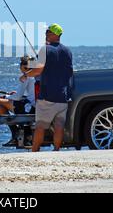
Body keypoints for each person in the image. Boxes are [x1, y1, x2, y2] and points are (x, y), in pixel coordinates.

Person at [20, 23, 73, 152]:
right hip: (63, 95)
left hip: (47, 96)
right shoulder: (68, 51)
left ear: (55, 34)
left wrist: (25, 75)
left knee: (40, 126)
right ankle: (56, 150)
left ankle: (35, 151)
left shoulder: (45, 49)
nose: (46, 34)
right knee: (59, 125)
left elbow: (39, 69)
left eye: (48, 32)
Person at [0, 55, 36, 147]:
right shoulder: (38, 75)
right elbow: (30, 93)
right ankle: (19, 134)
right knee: (11, 100)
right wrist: (14, 94)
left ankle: (15, 133)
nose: (24, 70)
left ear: (21, 66)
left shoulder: (27, 76)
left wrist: (6, 96)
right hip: (37, 107)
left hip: (30, 108)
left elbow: (17, 98)